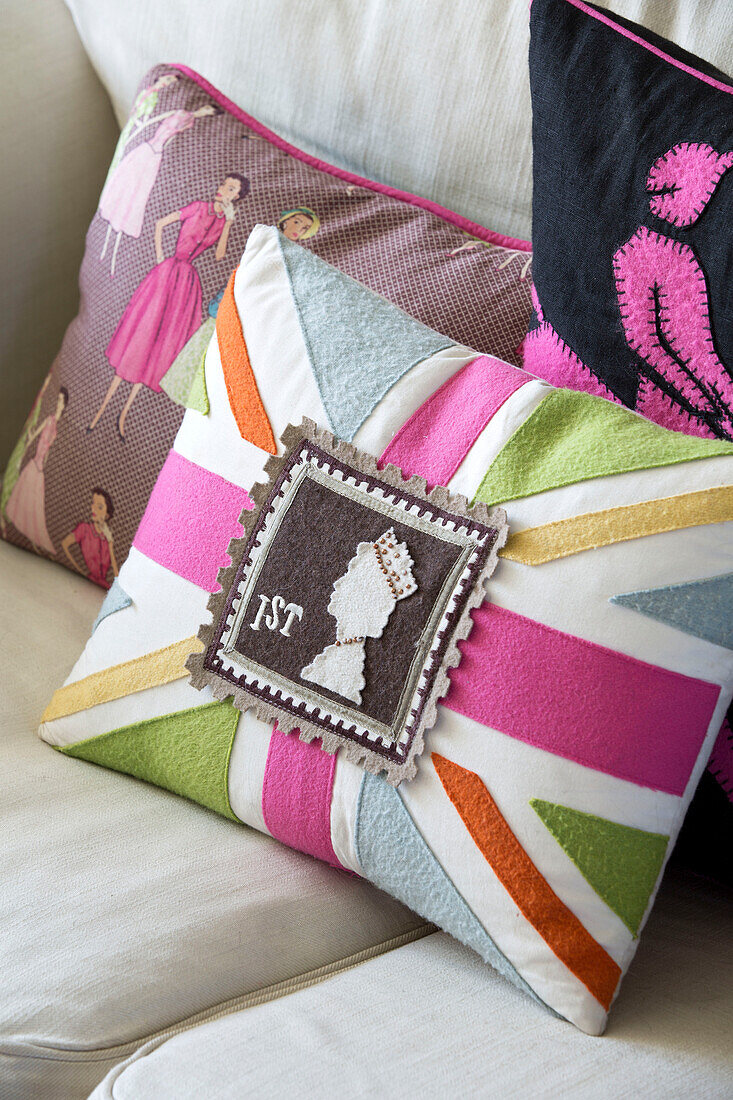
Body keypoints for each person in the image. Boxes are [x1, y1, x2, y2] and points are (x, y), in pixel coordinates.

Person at [88, 172, 250, 438]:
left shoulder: (223, 222)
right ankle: (101, 410)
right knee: (142, 331)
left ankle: (123, 416)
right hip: (167, 273)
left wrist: (229, 223)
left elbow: (220, 255)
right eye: (224, 184)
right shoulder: (198, 207)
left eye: (231, 188)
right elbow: (162, 223)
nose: (223, 189)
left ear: (236, 196)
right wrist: (162, 256)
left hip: (187, 284)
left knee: (159, 344)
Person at [99, 103, 222, 276]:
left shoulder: (191, 122)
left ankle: (111, 256)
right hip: (148, 151)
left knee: (137, 197)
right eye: (208, 110)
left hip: (156, 156)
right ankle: (105, 252)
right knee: (128, 189)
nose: (206, 113)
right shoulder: (181, 113)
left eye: (209, 112)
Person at [5, 387, 68, 553]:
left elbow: (49, 450)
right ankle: (12, 524)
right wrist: (27, 447)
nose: (58, 404)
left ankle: (31, 537)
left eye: (62, 402)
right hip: (35, 462)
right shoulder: (49, 420)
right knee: (26, 495)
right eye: (59, 400)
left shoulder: (58, 426)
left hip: (41, 465)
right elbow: (35, 436)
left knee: (35, 501)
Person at [61, 488, 118, 588]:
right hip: (87, 579)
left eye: (99, 507)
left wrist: (110, 544)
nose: (93, 509)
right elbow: (64, 544)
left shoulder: (107, 539)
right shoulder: (84, 529)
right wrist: (80, 570)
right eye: (93, 504)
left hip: (105, 585)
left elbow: (117, 578)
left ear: (107, 515)